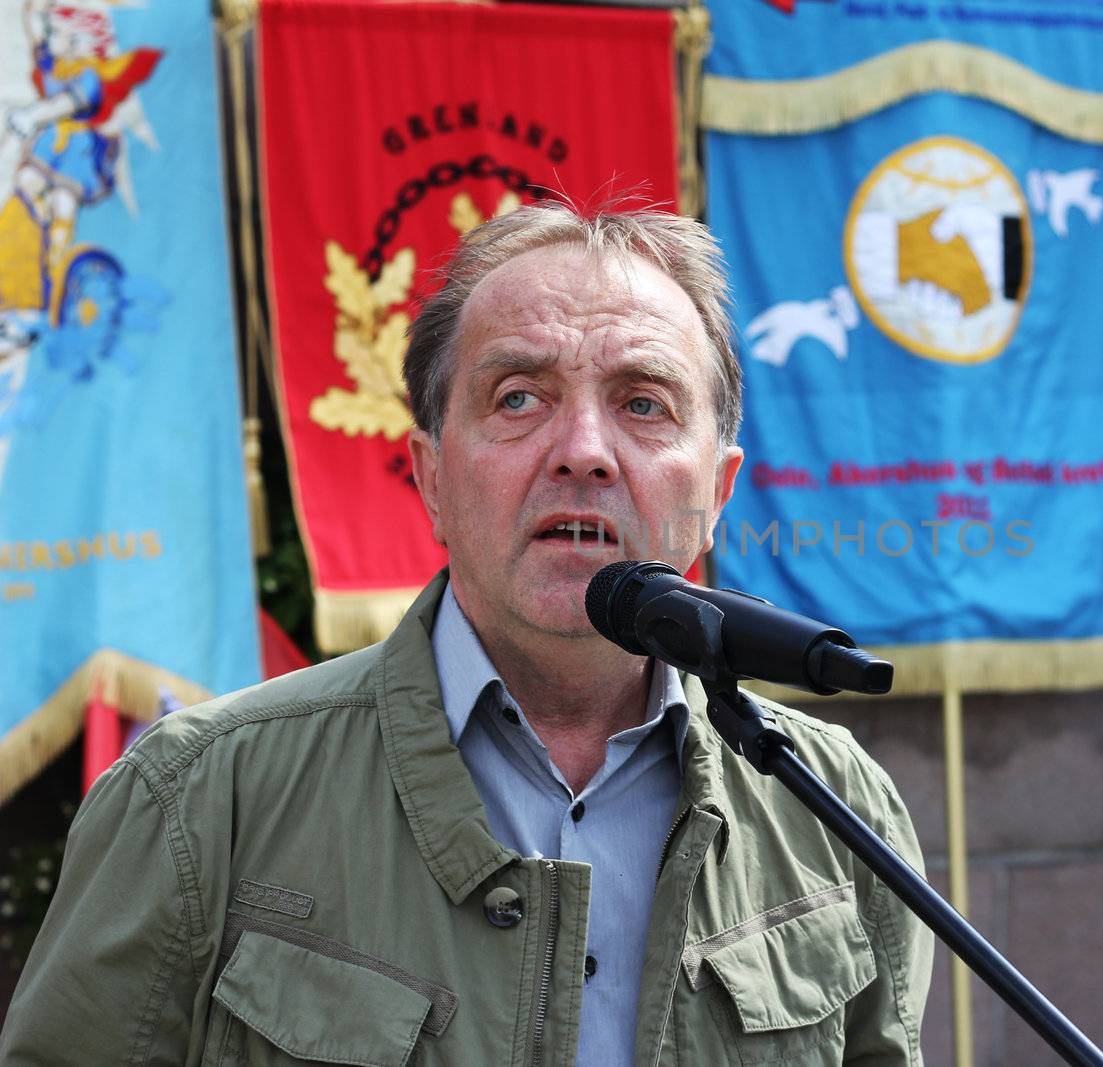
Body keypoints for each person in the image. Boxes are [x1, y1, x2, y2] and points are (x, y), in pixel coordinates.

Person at [0, 202, 933, 1065]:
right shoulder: (202, 796)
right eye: (519, 396)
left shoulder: (836, 809)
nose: (585, 449)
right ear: (432, 476)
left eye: (644, 402)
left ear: (718, 492)